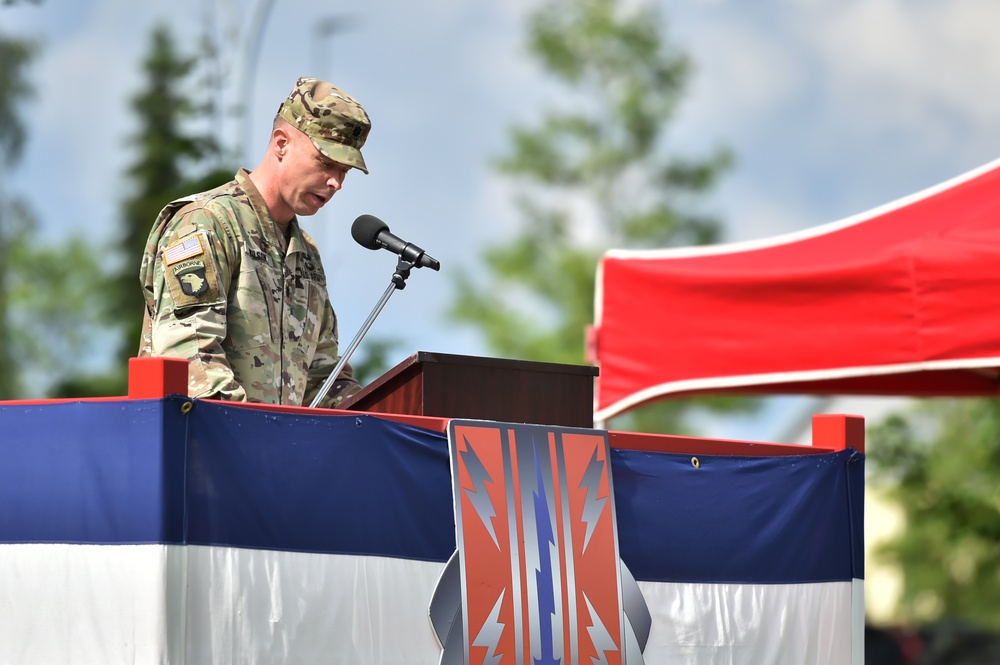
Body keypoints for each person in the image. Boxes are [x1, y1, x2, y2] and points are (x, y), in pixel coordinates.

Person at [137, 76, 369, 408]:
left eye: (344, 170)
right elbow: (190, 354)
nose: (335, 182)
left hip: (274, 452)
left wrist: (380, 423)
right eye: (326, 162)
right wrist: (256, 437)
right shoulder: (207, 224)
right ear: (281, 144)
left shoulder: (305, 254)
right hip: (200, 450)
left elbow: (322, 378)